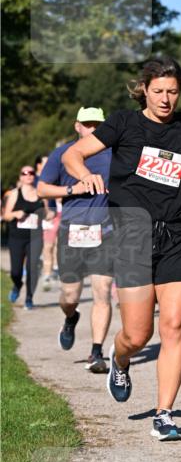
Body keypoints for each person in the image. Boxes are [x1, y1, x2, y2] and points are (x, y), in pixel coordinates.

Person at [62, 57, 181, 442]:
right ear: (144, 89)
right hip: (132, 236)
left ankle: (164, 414)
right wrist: (86, 175)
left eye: (173, 92)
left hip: (178, 235)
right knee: (138, 333)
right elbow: (72, 155)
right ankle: (120, 357)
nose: (166, 99)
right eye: (159, 91)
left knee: (175, 325)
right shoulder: (123, 123)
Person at [37, 108, 113, 373]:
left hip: (106, 231)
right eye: (87, 124)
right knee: (70, 295)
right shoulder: (63, 154)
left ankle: (96, 352)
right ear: (77, 126)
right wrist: (73, 189)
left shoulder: (114, 152)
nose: (92, 129)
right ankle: (70, 317)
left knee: (103, 292)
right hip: (72, 231)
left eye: (97, 125)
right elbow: (42, 189)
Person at [3, 164, 49, 309]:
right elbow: (6, 215)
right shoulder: (14, 194)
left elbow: (48, 213)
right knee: (16, 271)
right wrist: (16, 214)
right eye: (25, 173)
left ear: (34, 176)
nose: (28, 175)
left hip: (35, 237)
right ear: (20, 177)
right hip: (17, 237)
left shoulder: (40, 194)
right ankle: (17, 285)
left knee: (32, 268)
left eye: (31, 173)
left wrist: (48, 215)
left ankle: (29, 298)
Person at [36, 153, 61, 289]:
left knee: (57, 245)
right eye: (45, 162)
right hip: (45, 215)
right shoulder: (36, 179)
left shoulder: (53, 177)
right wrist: (46, 210)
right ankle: (46, 273)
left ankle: (54, 269)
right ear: (38, 165)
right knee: (48, 245)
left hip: (57, 213)